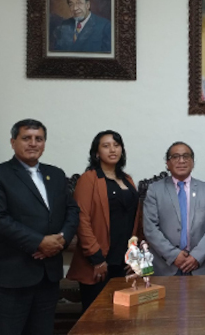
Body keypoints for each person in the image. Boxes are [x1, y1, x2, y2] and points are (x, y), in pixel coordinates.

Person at [0, 119, 79, 335]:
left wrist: (61, 240)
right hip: (13, 275)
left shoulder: (57, 175)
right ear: (13, 142)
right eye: (26, 138)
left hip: (48, 275)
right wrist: (39, 242)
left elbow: (72, 210)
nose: (33, 143)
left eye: (39, 139)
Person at [66, 130, 139, 312]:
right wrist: (96, 259)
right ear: (97, 153)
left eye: (116, 145)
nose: (112, 150)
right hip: (99, 262)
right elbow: (81, 219)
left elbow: (135, 221)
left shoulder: (127, 179)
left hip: (125, 260)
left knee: (124, 316)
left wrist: (135, 259)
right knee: (96, 317)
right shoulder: (89, 179)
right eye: (106, 146)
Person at [143, 142, 205, 276]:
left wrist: (197, 256)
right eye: (175, 157)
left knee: (201, 298)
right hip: (166, 265)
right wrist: (173, 255)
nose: (181, 161)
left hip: (200, 265)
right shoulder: (155, 190)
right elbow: (150, 228)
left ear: (193, 162)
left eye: (186, 156)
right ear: (167, 163)